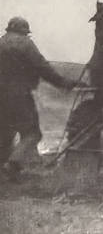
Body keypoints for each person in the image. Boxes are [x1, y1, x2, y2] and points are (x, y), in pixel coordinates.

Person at [0, 17, 78, 182]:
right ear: (24, 31)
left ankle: (6, 175)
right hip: (19, 95)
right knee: (32, 133)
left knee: (5, 133)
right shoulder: (26, 44)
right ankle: (12, 166)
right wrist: (64, 82)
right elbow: (42, 67)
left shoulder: (1, 42)